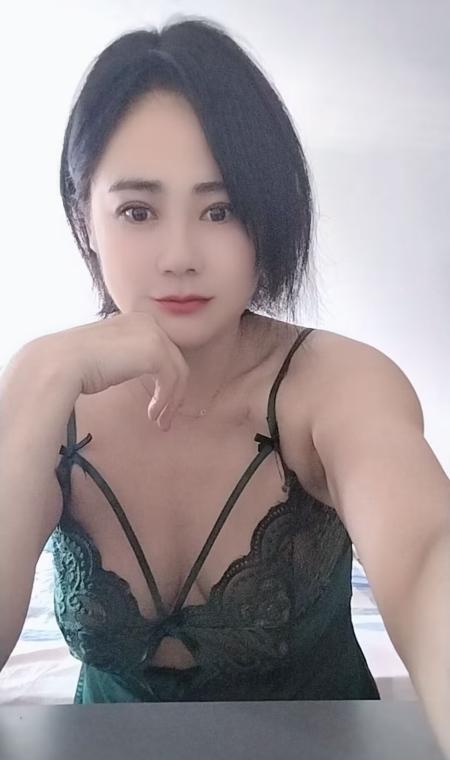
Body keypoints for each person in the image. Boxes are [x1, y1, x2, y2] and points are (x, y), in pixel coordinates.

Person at [1, 15, 447, 725]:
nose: (180, 255)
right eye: (138, 211)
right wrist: (28, 387)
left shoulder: (336, 384)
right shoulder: (47, 395)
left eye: (221, 210)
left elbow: (428, 557)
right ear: (85, 219)